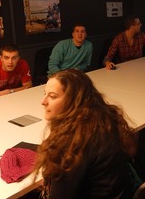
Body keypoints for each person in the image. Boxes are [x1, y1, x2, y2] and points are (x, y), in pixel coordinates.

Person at [32, 69, 138, 199]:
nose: (43, 101)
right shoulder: (102, 119)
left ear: (73, 101)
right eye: (45, 94)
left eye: (52, 96)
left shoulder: (74, 141)